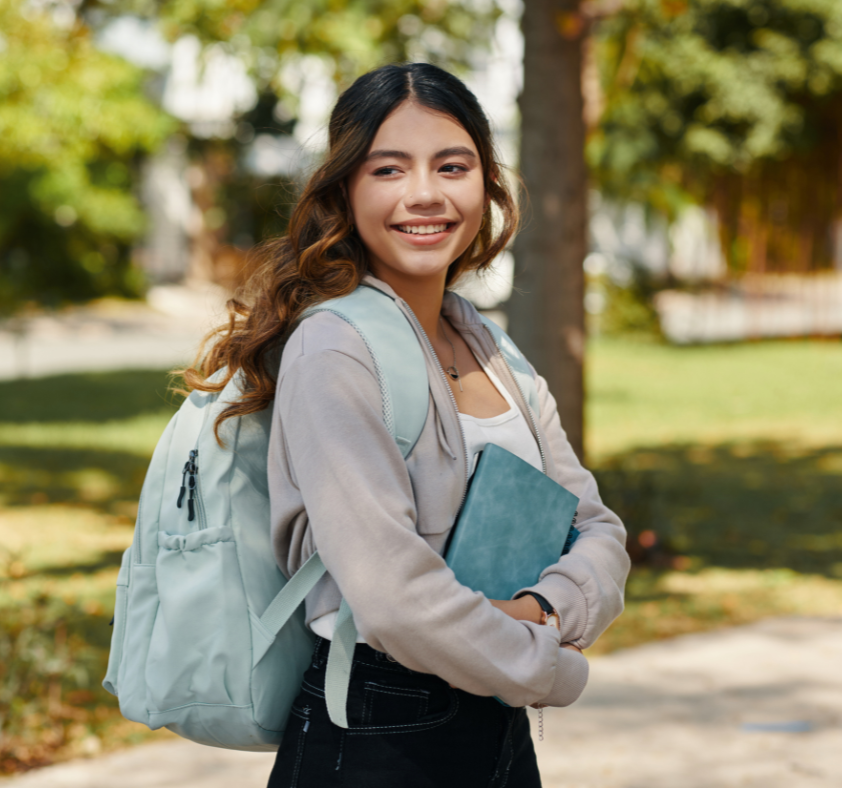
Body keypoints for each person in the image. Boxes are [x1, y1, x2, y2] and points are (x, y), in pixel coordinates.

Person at [186, 62, 630, 788]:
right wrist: (543, 662)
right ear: (345, 192)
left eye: (451, 166)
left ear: (485, 185)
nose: (424, 194)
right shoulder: (333, 348)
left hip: (496, 724)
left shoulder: (487, 344)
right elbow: (393, 598)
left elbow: (597, 528)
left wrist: (542, 608)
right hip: (377, 733)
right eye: (388, 170)